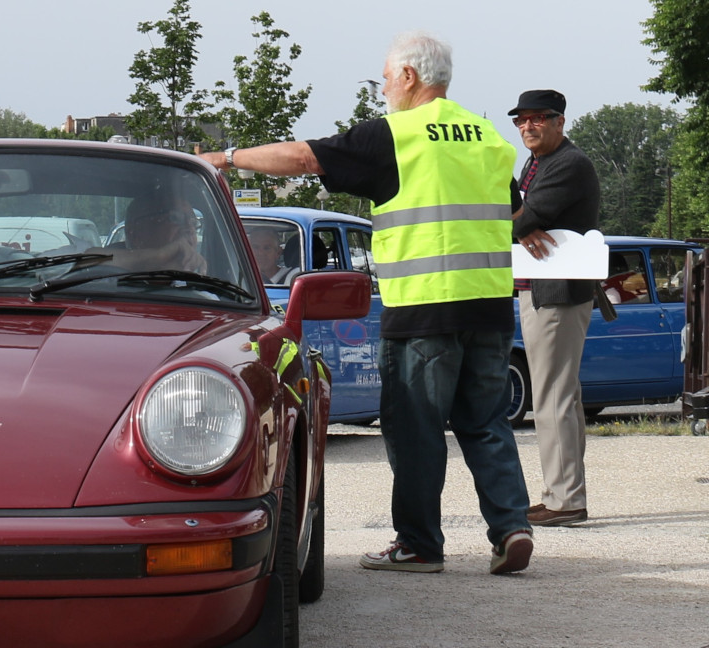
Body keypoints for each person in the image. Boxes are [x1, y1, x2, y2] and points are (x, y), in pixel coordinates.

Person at [201, 31, 533, 575]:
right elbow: (513, 211)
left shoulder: (398, 135)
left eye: (384, 77)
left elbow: (305, 158)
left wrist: (229, 157)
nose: (382, 88)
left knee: (416, 428)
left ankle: (420, 545)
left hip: (425, 310)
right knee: (487, 421)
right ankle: (512, 526)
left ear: (409, 76)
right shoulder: (488, 137)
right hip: (490, 308)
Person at [510, 89, 600, 528]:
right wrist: (521, 218)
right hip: (543, 289)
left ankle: (564, 501)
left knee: (552, 396)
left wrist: (519, 219)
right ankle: (563, 494)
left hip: (558, 292)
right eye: (521, 120)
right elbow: (521, 217)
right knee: (560, 394)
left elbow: (526, 216)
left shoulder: (568, 163)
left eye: (538, 118)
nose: (528, 126)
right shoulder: (537, 162)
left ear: (560, 122)